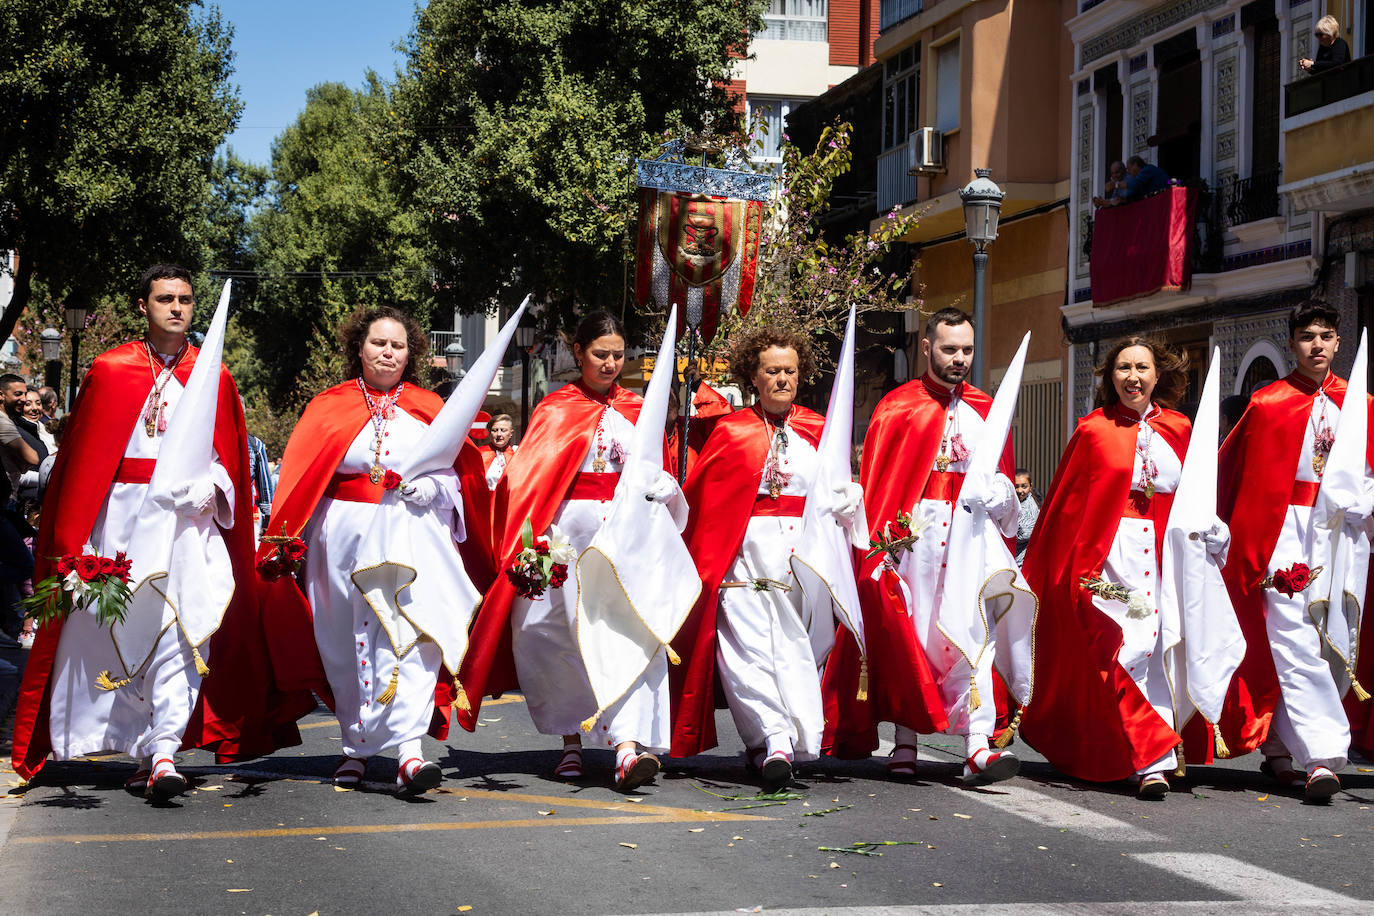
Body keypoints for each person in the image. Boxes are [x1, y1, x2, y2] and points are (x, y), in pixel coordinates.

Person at [11, 265, 311, 794]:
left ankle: (166, 748)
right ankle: (137, 743)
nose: (177, 307)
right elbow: (82, 464)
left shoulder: (213, 374)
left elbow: (233, 462)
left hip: (187, 525)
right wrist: (76, 539)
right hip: (122, 520)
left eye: (186, 299)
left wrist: (209, 489)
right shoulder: (109, 369)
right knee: (120, 631)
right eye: (165, 298)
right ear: (144, 305)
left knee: (183, 630)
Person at [261, 305, 480, 796]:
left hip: (412, 531)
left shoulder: (430, 406)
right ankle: (355, 747)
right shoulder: (328, 405)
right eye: (378, 343)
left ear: (411, 353)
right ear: (358, 348)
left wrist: (435, 491)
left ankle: (408, 752)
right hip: (341, 536)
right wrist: (287, 540)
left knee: (411, 632)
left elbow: (458, 476)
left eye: (397, 345)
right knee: (341, 638)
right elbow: (303, 480)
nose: (387, 352)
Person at [459, 312, 674, 790]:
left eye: (619, 355)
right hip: (566, 539)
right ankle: (571, 742)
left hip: (625, 538)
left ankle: (626, 746)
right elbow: (528, 483)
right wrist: (531, 543)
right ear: (578, 352)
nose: (611, 363)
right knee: (555, 637)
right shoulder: (555, 408)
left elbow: (656, 470)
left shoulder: (641, 408)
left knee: (630, 632)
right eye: (601, 354)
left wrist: (664, 487)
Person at [1019, 337, 1230, 798]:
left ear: (1158, 375)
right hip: (1112, 555)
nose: (1132, 376)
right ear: (1110, 376)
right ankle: (1152, 756)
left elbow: (1194, 497)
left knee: (1160, 647)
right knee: (1126, 644)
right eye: (1123, 368)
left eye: (1141, 367)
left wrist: (1214, 531)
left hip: (1166, 555)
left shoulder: (1179, 427)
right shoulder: (1093, 430)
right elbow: (1068, 507)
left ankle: (1148, 753)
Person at [823, 308, 1023, 785]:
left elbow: (1004, 486)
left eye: (967, 350)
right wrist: (881, 546)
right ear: (928, 347)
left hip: (970, 538)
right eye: (950, 348)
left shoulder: (984, 409)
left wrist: (1002, 494)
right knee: (910, 635)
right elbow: (882, 482)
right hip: (913, 540)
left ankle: (977, 746)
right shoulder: (898, 406)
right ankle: (907, 740)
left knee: (976, 635)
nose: (959, 358)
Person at [672, 327, 861, 787]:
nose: (783, 379)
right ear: (753, 377)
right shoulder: (732, 432)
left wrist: (850, 499)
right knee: (748, 653)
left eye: (790, 371)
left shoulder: (819, 429)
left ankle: (772, 743)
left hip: (805, 560)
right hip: (745, 557)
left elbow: (837, 489)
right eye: (772, 371)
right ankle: (775, 739)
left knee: (800, 652)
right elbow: (704, 502)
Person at [1217, 301, 1374, 802]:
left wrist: (1363, 505)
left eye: (1326, 335)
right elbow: (1237, 476)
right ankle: (1323, 758)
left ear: (1338, 341)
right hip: (1284, 530)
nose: (1318, 345)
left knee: (1334, 643)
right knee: (1293, 640)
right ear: (1293, 343)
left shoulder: (1362, 403)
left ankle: (1281, 745)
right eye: (1308, 336)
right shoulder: (1268, 403)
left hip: (1344, 533)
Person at [0, 374, 40, 503]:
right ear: (1, 395)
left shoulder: (8, 420)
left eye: (24, 394)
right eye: (17, 394)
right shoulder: (2, 422)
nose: (23, 399)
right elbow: (32, 458)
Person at [481, 414, 516, 490]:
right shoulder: (480, 454)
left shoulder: (517, 453)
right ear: (490, 433)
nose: (499, 434)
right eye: (494, 430)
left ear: (511, 433)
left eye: (503, 430)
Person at [1013, 468, 1039, 565]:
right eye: (1016, 486)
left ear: (1030, 486)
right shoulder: (1017, 502)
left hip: (1021, 560)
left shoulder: (1029, 506)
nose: (1020, 490)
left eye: (1024, 486)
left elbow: (1024, 534)